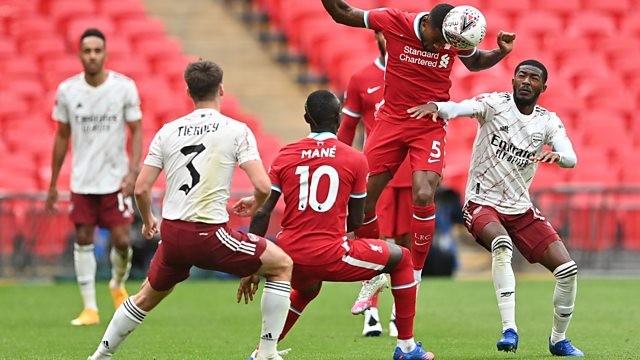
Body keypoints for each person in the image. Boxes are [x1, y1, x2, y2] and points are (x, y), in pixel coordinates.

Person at [87, 60, 293, 360]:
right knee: (282, 264)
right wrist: (255, 203)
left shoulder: (168, 131)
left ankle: (100, 356)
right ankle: (267, 353)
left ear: (188, 92)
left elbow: (141, 189)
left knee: (146, 295)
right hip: (209, 234)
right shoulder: (236, 130)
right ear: (221, 89)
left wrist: (148, 221)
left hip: (172, 234)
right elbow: (263, 186)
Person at [321, 0, 515, 285]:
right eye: (437, 41)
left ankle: (414, 273)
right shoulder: (393, 21)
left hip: (429, 123)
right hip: (391, 120)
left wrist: (500, 52)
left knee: (424, 194)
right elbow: (343, 13)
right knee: (363, 201)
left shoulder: (453, 34)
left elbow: (474, 61)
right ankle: (375, 268)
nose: (441, 48)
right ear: (426, 25)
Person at [235, 90, 434, 360]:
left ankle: (263, 351)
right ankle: (407, 348)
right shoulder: (354, 158)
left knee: (308, 288)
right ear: (339, 119)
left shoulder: (286, 154)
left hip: (287, 253)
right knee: (402, 259)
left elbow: (262, 213)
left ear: (306, 118)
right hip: (329, 252)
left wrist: (252, 264)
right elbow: (356, 219)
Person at [407, 60, 584, 357]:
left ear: (544, 86)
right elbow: (460, 107)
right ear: (513, 80)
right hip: (482, 202)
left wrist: (559, 158)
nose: (526, 81)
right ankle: (509, 329)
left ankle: (559, 340)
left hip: (520, 208)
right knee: (502, 245)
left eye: (534, 78)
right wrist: (439, 107)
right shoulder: (494, 104)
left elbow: (571, 156)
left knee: (568, 270)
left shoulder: (547, 121)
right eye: (522, 76)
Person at [46, 28, 143, 326]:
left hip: (115, 178)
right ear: (79, 54)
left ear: (105, 53)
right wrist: (53, 183)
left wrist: (133, 171)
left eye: (97, 50)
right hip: (83, 179)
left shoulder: (124, 87)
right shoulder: (67, 91)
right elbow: (61, 136)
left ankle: (116, 283)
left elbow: (137, 129)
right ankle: (90, 308)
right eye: (87, 51)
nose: (92, 56)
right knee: (83, 237)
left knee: (122, 240)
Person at [337, 31, 412, 337]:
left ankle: (399, 312)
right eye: (383, 35)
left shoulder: (414, 76)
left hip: (409, 172)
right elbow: (347, 129)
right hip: (375, 172)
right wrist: (339, 163)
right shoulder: (360, 78)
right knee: (373, 243)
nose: (389, 40)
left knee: (406, 245)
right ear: (377, 39)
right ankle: (371, 312)